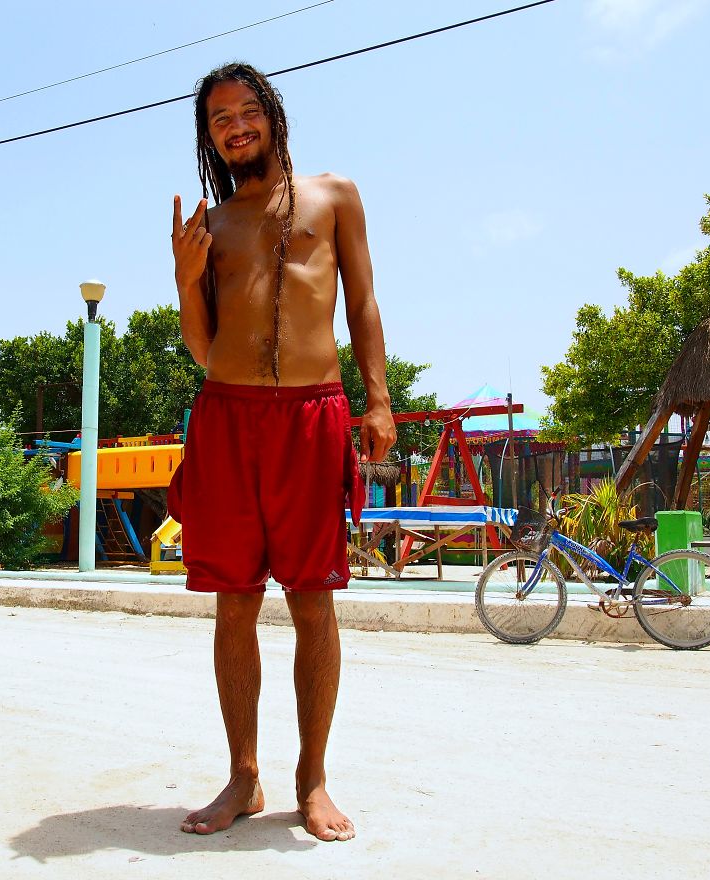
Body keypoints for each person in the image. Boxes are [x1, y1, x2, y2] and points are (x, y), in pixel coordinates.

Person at [169, 62, 396, 843]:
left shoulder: (335, 197)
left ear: (272, 113)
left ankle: (313, 777)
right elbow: (204, 349)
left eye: (245, 110)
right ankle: (244, 775)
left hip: (313, 414)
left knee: (313, 600)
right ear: (210, 138)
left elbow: (362, 300)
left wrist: (379, 398)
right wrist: (183, 276)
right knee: (235, 602)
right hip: (228, 418)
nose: (235, 126)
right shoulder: (214, 226)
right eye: (218, 119)